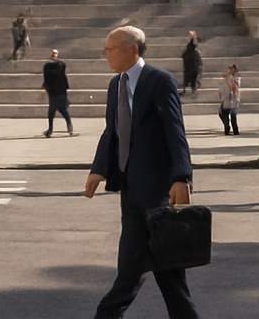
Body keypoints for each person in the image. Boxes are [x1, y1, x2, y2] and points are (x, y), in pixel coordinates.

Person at [83, 25, 197, 319]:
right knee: (138, 266)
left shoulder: (158, 81)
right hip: (130, 188)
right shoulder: (115, 84)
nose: (105, 55)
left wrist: (181, 176)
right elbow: (113, 132)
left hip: (158, 189)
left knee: (162, 270)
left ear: (131, 49)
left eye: (110, 49)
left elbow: (175, 130)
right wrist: (98, 169)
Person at [43, 48, 74, 137]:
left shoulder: (50, 66)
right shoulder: (59, 65)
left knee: (53, 112)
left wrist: (45, 86)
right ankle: (69, 127)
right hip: (58, 92)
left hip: (55, 92)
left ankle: (50, 130)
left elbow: (47, 78)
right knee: (62, 110)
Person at [219, 64, 242, 136]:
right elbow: (221, 86)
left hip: (233, 98)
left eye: (231, 68)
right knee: (223, 114)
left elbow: (234, 87)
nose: (229, 70)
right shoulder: (226, 77)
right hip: (226, 98)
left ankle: (235, 130)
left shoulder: (236, 78)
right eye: (229, 68)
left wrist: (228, 78)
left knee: (233, 115)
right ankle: (227, 128)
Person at [181, 31, 202, 96]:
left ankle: (192, 90)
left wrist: (193, 37)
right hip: (191, 67)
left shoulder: (194, 51)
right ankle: (191, 90)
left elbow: (195, 43)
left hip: (192, 68)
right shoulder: (192, 51)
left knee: (192, 79)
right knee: (191, 79)